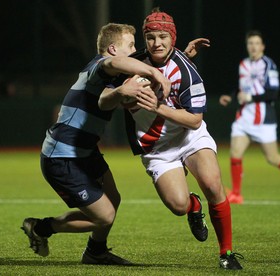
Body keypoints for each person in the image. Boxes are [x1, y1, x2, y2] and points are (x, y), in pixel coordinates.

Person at [100, 8, 243, 270]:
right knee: (178, 205)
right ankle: (193, 205)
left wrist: (157, 107)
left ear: (172, 38)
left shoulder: (186, 71)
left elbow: (195, 120)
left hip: (189, 137)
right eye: (151, 37)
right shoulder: (130, 65)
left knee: (212, 184)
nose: (157, 43)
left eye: (163, 36)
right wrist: (120, 92)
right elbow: (103, 101)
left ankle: (227, 253)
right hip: (156, 148)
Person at [21, 23, 172, 265]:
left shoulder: (111, 78)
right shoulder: (99, 66)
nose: (136, 50)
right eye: (130, 45)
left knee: (114, 199)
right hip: (62, 157)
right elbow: (113, 64)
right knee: (104, 216)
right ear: (113, 49)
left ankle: (96, 252)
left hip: (84, 152)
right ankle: (41, 228)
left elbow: (112, 91)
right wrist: (155, 74)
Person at [219, 30, 280, 204]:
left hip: (263, 118)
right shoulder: (243, 64)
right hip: (244, 117)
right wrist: (231, 96)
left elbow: (273, 93)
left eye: (256, 43)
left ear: (262, 46)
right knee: (235, 153)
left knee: (272, 158)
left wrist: (251, 97)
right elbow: (241, 87)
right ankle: (237, 194)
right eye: (250, 43)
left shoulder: (269, 65)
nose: (253, 46)